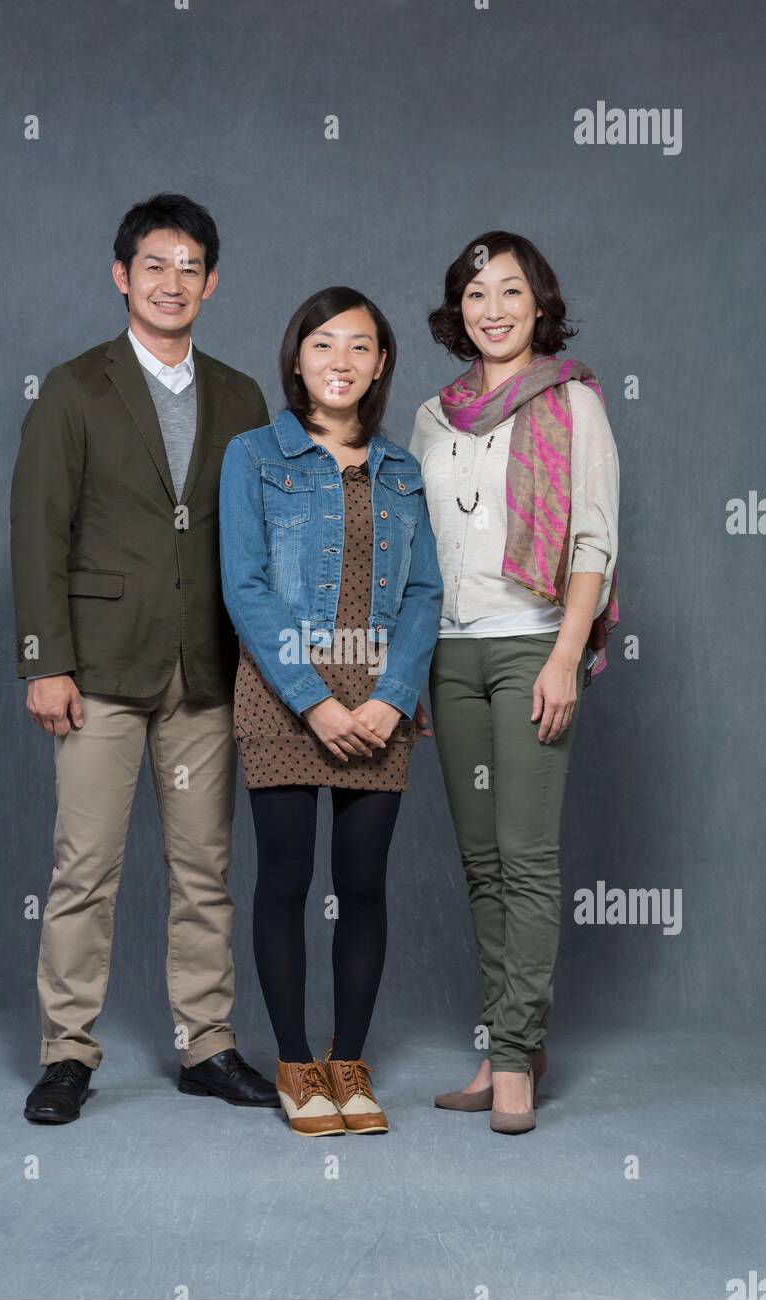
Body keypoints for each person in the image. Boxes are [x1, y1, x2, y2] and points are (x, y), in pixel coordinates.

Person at [11, 192, 278, 1123]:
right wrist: (45, 660)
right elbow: (39, 530)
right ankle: (67, 1052)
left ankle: (207, 1045)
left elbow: (257, 536)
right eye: (154, 264)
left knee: (205, 869)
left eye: (190, 266)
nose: (173, 282)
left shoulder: (242, 395)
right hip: (97, 670)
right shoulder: (74, 387)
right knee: (84, 866)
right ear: (122, 275)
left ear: (213, 282)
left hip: (205, 667)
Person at [219, 286, 443, 1136]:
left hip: (380, 705)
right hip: (283, 696)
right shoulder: (255, 457)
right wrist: (313, 701)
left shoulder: (403, 470)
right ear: (297, 357)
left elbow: (424, 592)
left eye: (359, 347)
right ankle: (294, 1063)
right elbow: (244, 587)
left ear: (381, 363)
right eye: (323, 344)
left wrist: (391, 700)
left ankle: (349, 1062)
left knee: (363, 884)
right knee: (285, 880)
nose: (340, 362)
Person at [410, 231, 619, 1134]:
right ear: (459, 311)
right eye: (475, 294)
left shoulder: (574, 404)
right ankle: (511, 1041)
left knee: (528, 859)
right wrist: (410, 667)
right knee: (482, 860)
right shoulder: (431, 415)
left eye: (509, 292)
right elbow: (416, 553)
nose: (492, 309)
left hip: (533, 644)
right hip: (449, 655)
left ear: (540, 305)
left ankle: (512, 1064)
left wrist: (566, 657)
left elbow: (593, 542)